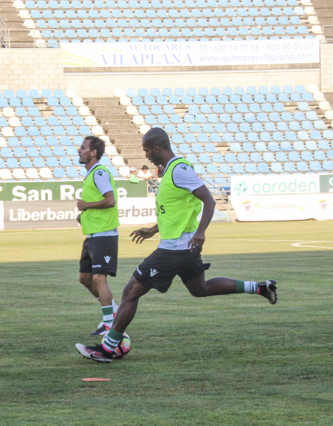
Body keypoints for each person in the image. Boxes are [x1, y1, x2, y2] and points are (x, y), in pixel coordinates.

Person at [76, 127, 278, 363]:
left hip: (176, 248)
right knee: (199, 288)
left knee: (131, 291)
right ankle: (262, 288)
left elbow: (208, 200)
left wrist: (202, 231)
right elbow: (176, 211)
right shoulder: (170, 171)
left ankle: (108, 348)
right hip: (184, 246)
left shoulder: (179, 170)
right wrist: (153, 229)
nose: (146, 155)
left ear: (157, 148)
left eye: (147, 150)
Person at [76, 135, 121, 336]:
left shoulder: (99, 173)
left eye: (83, 147)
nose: (79, 150)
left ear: (93, 152)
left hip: (104, 234)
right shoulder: (91, 174)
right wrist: (84, 215)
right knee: (85, 278)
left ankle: (109, 323)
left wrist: (86, 206)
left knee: (99, 278)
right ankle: (113, 310)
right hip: (93, 234)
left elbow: (110, 200)